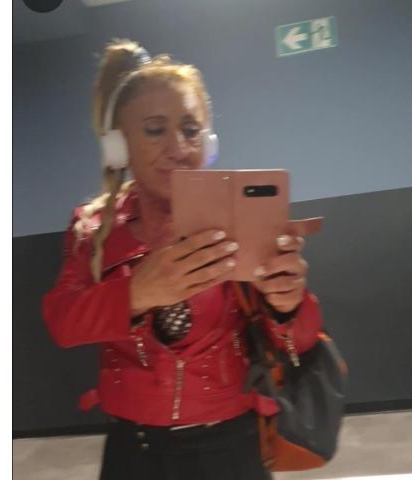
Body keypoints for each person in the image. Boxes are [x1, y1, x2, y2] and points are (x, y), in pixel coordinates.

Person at [42, 39, 324, 480]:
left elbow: (299, 344)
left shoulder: (238, 218)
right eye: (155, 129)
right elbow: (63, 322)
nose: (177, 146)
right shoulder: (92, 229)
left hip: (232, 445)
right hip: (136, 452)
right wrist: (136, 294)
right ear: (120, 146)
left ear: (207, 142)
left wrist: (288, 305)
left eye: (191, 130)